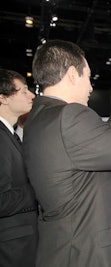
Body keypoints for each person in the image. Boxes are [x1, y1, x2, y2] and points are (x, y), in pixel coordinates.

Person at [22, 40, 111, 267]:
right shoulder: (70, 115)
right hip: (88, 251)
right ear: (72, 74)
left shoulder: (38, 117)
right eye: (87, 77)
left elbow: (81, 155)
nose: (90, 87)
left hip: (64, 246)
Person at [0, 68, 38, 267]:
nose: (31, 95)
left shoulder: (10, 135)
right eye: (23, 91)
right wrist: (39, 187)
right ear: (3, 98)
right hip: (12, 249)